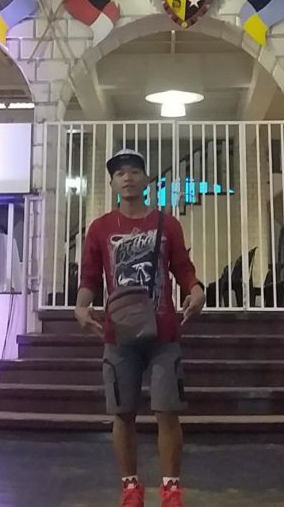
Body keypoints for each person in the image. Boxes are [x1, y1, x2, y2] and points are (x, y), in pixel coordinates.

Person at [75, 149, 205, 507]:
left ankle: (171, 489)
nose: (128, 178)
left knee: (168, 411)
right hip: (119, 334)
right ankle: (130, 487)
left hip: (163, 332)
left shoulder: (167, 224)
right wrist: (81, 306)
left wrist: (196, 290)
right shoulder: (100, 228)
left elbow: (183, 267)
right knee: (122, 413)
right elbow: (89, 277)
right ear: (112, 184)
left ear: (146, 180)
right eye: (120, 174)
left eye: (134, 172)